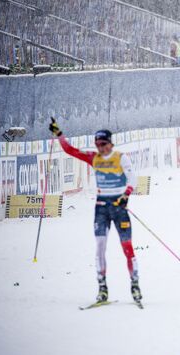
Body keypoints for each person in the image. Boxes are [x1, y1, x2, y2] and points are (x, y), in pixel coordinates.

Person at [48, 118, 142, 304]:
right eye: (98, 144)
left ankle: (135, 284)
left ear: (110, 143)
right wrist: (59, 134)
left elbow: (133, 178)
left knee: (127, 247)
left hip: (119, 206)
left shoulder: (120, 157)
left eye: (103, 144)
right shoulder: (94, 158)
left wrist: (126, 195)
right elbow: (70, 150)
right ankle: (102, 288)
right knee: (100, 248)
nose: (100, 147)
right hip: (101, 207)